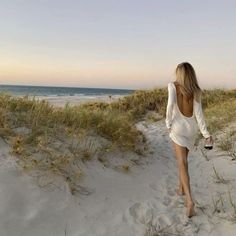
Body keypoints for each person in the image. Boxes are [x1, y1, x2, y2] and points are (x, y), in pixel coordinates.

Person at [165, 62, 213, 217]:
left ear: (179, 73)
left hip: (178, 128)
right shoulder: (196, 90)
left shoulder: (172, 86)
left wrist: (168, 122)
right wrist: (206, 134)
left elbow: (170, 105)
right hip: (191, 129)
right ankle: (180, 188)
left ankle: (190, 200)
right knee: (184, 161)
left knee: (181, 162)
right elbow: (199, 115)